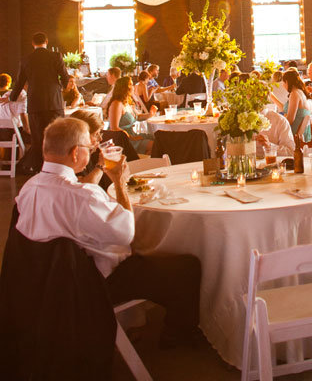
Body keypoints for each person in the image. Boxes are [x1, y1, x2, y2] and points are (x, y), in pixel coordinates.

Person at [15, 118, 202, 347]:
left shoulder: (28, 188)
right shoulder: (81, 195)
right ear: (75, 153)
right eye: (89, 147)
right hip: (91, 284)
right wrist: (119, 183)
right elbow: (126, 233)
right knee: (187, 267)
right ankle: (177, 335)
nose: (93, 150)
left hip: (42, 285)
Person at [10, 31, 69, 172]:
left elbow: (19, 82)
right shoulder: (55, 56)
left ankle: (39, 170)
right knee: (57, 137)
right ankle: (58, 168)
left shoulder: (26, 60)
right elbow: (65, 77)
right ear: (46, 42)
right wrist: (60, 88)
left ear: (32, 43)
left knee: (38, 140)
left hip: (35, 104)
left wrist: (12, 98)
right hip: (54, 103)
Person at [107, 77, 153, 156]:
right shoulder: (116, 104)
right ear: (124, 88)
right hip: (123, 139)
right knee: (154, 145)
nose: (133, 87)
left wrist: (150, 114)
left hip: (132, 135)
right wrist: (132, 137)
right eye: (131, 84)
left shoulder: (126, 102)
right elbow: (114, 128)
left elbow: (137, 117)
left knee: (157, 138)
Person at [278, 69, 312, 141]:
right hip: (304, 132)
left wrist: (279, 127)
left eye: (283, 83)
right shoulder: (300, 92)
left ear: (287, 82)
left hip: (295, 133)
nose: (283, 86)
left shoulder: (294, 94)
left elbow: (290, 120)